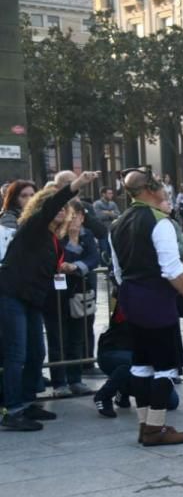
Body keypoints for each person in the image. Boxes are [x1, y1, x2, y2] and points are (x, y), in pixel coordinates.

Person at [0, 174, 98, 430]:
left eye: (65, 208)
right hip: (12, 296)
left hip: (32, 300)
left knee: (36, 352)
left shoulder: (54, 239)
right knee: (16, 354)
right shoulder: (32, 227)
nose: (62, 211)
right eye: (58, 207)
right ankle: (12, 409)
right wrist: (74, 187)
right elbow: (51, 205)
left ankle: (26, 400)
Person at [109, 166, 183, 446]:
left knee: (141, 364)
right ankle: (155, 429)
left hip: (131, 298)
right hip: (156, 300)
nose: (163, 188)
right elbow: (172, 270)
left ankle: (145, 425)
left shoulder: (117, 223)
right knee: (164, 366)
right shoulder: (160, 222)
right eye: (159, 184)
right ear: (149, 190)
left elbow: (117, 270)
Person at [46, 200, 101, 396]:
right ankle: (59, 382)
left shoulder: (88, 235)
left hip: (79, 292)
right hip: (56, 294)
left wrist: (77, 266)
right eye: (70, 215)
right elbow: (59, 260)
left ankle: (76, 379)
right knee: (57, 338)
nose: (74, 219)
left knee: (77, 337)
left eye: (77, 215)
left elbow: (94, 258)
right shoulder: (55, 235)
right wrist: (72, 245)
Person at [93, 308, 180, 417]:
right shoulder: (132, 301)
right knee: (136, 363)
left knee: (171, 402)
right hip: (115, 351)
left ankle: (124, 389)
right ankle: (104, 396)